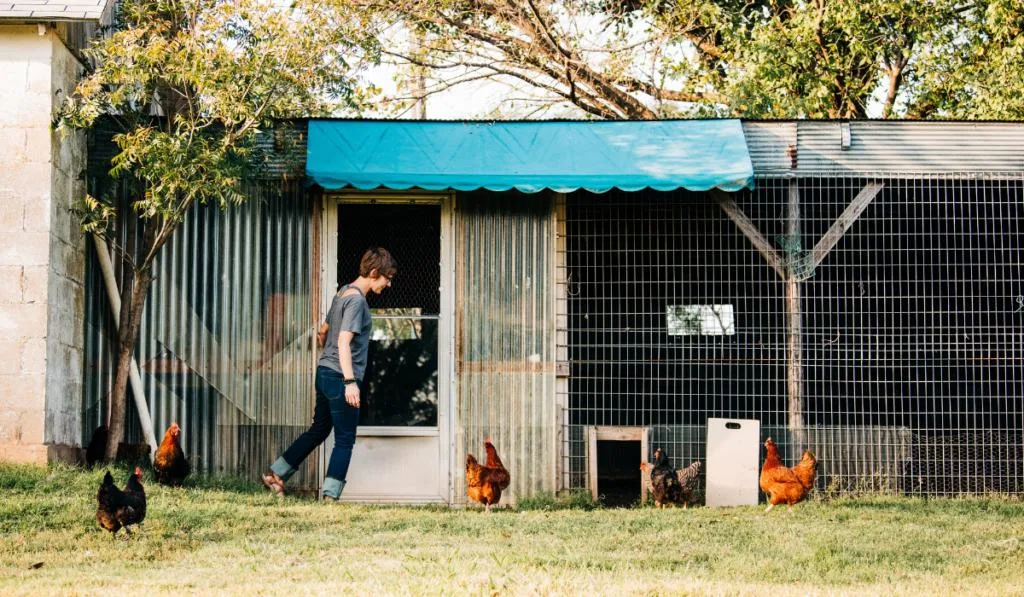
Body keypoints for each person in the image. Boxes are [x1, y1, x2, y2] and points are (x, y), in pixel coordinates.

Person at [262, 247, 396, 500]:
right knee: (345, 439)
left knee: (319, 429)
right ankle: (330, 497)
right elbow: (344, 341)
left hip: (324, 372)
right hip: (340, 377)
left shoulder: (343, 292)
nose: (388, 284)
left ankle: (276, 474)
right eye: (387, 278)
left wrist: (330, 356)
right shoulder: (357, 301)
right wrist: (350, 382)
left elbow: (323, 331)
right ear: (374, 272)